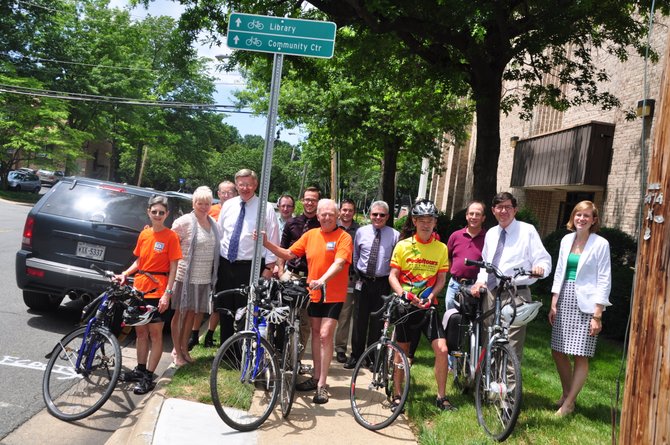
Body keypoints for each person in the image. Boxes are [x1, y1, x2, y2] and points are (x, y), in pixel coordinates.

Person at [262, 199, 353, 404]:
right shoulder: (311, 235)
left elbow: (339, 263)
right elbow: (288, 253)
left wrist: (322, 280)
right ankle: (314, 378)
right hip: (314, 293)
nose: (327, 217)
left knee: (324, 335)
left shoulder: (344, 237)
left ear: (337, 215)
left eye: (331, 213)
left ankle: (322, 384)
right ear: (318, 216)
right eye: (323, 214)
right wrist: (267, 244)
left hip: (333, 294)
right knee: (314, 334)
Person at [389, 199, 455, 411]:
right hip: (406, 307)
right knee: (402, 352)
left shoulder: (441, 248)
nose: (426, 224)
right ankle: (397, 394)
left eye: (430, 220)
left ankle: (441, 397)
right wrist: (404, 294)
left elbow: (442, 279)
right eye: (422, 220)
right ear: (414, 221)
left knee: (442, 350)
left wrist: (431, 295)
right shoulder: (403, 245)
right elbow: (393, 276)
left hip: (428, 307)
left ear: (435, 222)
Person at [471, 192, 552, 360]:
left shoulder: (527, 231)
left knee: (511, 344)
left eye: (508, 207)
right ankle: (489, 382)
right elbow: (487, 263)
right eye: (499, 207)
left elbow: (544, 259)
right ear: (493, 210)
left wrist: (540, 268)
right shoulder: (492, 233)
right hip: (493, 292)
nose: (503, 211)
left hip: (516, 293)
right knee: (490, 338)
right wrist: (479, 282)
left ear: (515, 210)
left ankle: (510, 386)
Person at [548, 201, 611, 416]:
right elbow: (560, 270)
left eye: (586, 216)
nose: (581, 219)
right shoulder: (566, 239)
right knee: (557, 350)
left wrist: (598, 314)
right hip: (565, 297)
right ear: (573, 217)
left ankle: (569, 404)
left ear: (594, 220)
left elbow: (604, 279)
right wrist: (554, 299)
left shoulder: (601, 244)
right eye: (578, 215)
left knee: (580, 354)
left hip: (587, 304)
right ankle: (567, 393)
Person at [116, 195, 182, 394]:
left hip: (158, 290)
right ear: (149, 213)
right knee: (140, 333)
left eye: (162, 212)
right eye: (154, 212)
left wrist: (167, 294)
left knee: (155, 333)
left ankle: (148, 376)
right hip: (139, 288)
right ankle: (140, 369)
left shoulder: (171, 237)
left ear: (167, 214)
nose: (158, 215)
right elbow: (139, 261)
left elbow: (174, 267)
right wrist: (125, 274)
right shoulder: (144, 234)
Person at [215, 169, 279, 346]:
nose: (245, 188)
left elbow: (273, 238)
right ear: (236, 185)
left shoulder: (265, 209)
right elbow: (220, 234)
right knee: (226, 309)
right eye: (241, 184)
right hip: (226, 264)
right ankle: (226, 351)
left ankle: (244, 351)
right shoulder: (228, 205)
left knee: (247, 310)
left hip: (250, 267)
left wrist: (269, 268)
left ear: (256, 184)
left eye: (248, 184)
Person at [344, 200, 399, 369]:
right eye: (375, 214)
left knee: (377, 321)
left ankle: (373, 357)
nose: (378, 217)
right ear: (370, 215)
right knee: (359, 320)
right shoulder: (361, 232)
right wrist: (357, 274)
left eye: (382, 215)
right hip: (363, 281)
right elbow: (356, 256)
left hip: (382, 283)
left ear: (387, 217)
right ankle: (356, 356)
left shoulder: (395, 235)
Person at [170, 186, 221, 365]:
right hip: (184, 277)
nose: (204, 207)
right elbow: (171, 248)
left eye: (207, 203)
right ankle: (176, 351)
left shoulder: (214, 224)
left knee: (192, 315)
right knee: (180, 314)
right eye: (200, 203)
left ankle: (184, 349)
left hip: (203, 277)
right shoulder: (183, 222)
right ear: (194, 203)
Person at [187, 180, 237, 349]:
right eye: (223, 192)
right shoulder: (210, 210)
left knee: (217, 301)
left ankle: (209, 334)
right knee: (198, 301)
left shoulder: (237, 210)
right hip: (202, 262)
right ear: (218, 193)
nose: (226, 195)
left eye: (230, 192)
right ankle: (194, 334)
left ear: (234, 194)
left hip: (221, 262)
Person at [278, 186, 322, 366]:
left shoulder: (322, 225)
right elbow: (283, 249)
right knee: (283, 317)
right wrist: (281, 272)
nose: (310, 203)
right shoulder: (292, 223)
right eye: (307, 199)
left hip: (310, 279)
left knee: (303, 323)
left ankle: (296, 359)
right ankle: (280, 354)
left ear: (318, 202)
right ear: (302, 201)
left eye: (313, 200)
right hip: (291, 276)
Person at [444, 201, 486, 370]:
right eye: (471, 214)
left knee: (474, 326)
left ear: (483, 217)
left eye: (477, 214)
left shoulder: (488, 238)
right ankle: (450, 363)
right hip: (454, 286)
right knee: (452, 323)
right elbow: (447, 256)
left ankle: (471, 362)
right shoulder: (456, 236)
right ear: (466, 215)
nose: (474, 217)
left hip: (477, 289)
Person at [335, 198, 360, 363]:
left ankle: (340, 348)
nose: (347, 213)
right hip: (330, 276)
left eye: (350, 210)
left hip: (349, 277)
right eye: (344, 210)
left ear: (354, 212)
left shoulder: (359, 231)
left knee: (344, 315)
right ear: (339, 211)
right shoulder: (331, 226)